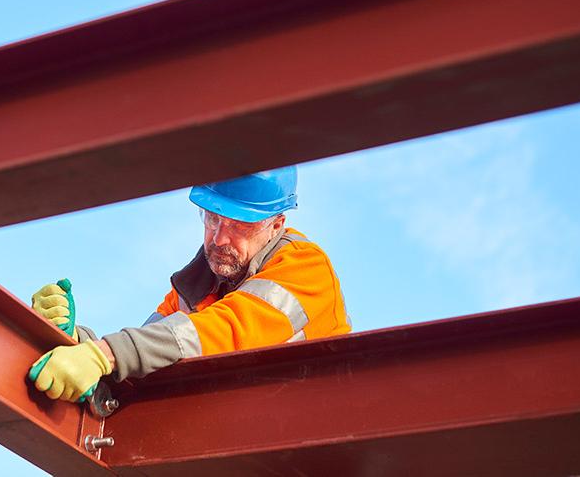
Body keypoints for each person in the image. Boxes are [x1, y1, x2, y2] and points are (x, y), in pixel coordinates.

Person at [28, 166, 351, 403]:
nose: (220, 238)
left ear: (276, 225)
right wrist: (73, 339)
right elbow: (142, 358)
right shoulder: (198, 284)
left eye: (240, 226)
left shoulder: (306, 268)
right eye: (213, 218)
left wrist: (102, 355)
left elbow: (224, 331)